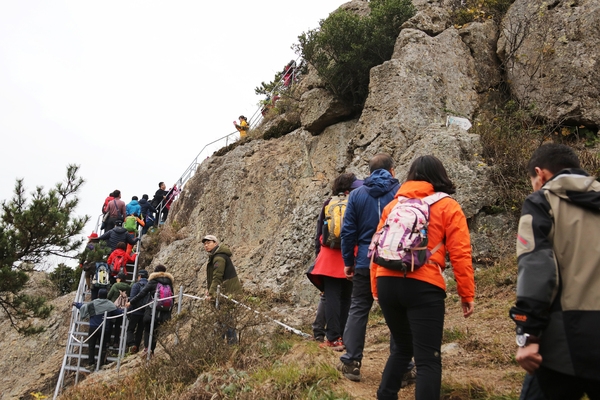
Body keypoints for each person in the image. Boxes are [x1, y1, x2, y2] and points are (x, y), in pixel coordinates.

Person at [371, 155, 475, 399]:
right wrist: (466, 293)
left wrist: (376, 287)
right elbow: (460, 254)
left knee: (402, 348)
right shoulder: (448, 206)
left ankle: (385, 395)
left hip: (387, 281)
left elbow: (376, 247)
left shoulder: (393, 206)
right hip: (423, 284)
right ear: (440, 176)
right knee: (428, 359)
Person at [509, 143, 600, 399]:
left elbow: (537, 268)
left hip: (563, 343)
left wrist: (528, 335)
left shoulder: (541, 202)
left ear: (541, 174)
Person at [337, 153, 400, 382]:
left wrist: (348, 262)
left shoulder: (356, 195)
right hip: (393, 260)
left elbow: (348, 232)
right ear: (392, 170)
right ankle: (404, 366)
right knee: (398, 311)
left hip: (365, 260)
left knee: (358, 308)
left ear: (370, 173)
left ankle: (352, 361)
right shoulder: (400, 191)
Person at [308, 173, 363, 350]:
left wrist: (319, 256)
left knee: (331, 297)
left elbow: (319, 235)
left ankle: (332, 338)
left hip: (328, 256)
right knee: (347, 297)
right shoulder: (356, 201)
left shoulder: (328, 204)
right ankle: (343, 336)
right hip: (350, 255)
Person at [202, 235, 243, 343]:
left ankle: (231, 345)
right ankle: (220, 346)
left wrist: (211, 293)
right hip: (225, 292)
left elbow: (217, 277)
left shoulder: (218, 258)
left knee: (226, 320)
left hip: (228, 293)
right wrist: (209, 289)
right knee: (222, 320)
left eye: (208, 243)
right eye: (205, 244)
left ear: (215, 243)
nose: (206, 245)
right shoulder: (216, 256)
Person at [126, 265, 174, 355]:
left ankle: (147, 349)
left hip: (152, 310)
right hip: (164, 312)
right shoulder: (169, 282)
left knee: (148, 329)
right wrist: (169, 313)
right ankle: (152, 350)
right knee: (155, 331)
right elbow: (172, 298)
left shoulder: (153, 281)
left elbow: (142, 294)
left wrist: (130, 302)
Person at [73, 288, 122, 367]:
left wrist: (76, 304)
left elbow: (84, 307)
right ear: (106, 296)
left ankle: (91, 363)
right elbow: (118, 312)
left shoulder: (93, 303)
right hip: (104, 329)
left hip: (93, 328)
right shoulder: (110, 304)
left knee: (91, 346)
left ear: (98, 295)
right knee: (102, 346)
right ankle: (101, 363)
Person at [126, 269, 149, 354]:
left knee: (130, 329)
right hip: (145, 312)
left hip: (135, 311)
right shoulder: (150, 285)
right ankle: (137, 347)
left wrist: (129, 310)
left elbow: (132, 299)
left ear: (139, 276)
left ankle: (132, 345)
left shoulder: (136, 285)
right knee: (140, 331)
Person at [107, 272, 131, 346]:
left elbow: (109, 296)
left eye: (117, 278)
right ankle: (116, 342)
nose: (116, 279)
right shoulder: (128, 287)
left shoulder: (115, 285)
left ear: (120, 279)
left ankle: (107, 341)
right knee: (118, 325)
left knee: (109, 324)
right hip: (122, 308)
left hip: (112, 307)